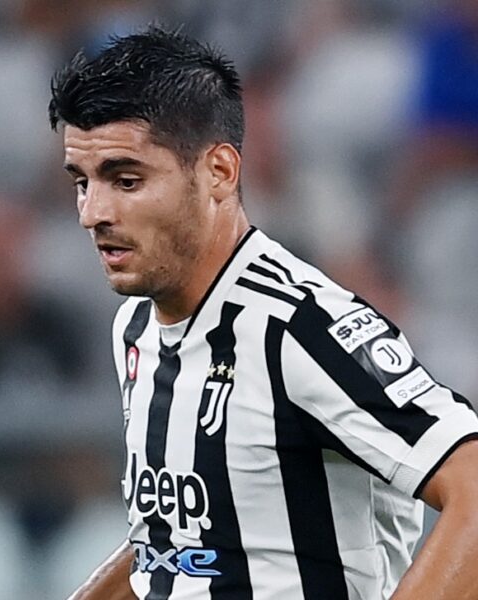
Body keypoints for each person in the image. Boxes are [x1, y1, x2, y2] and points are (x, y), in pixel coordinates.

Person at [48, 26, 478, 600]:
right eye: (82, 183)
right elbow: (179, 541)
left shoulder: (300, 327)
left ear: (219, 172)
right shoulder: (135, 325)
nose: (92, 212)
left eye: (126, 180)